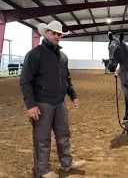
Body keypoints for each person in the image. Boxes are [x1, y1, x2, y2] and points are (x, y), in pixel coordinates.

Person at [19, 21, 86, 178]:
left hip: (60, 103)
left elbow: (66, 79)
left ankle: (67, 164)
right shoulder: (35, 54)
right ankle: (42, 170)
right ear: (46, 33)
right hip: (42, 103)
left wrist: (73, 95)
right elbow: (25, 81)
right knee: (42, 138)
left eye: (59, 34)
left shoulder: (63, 57)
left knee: (64, 135)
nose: (57, 36)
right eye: (53, 33)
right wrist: (31, 105)